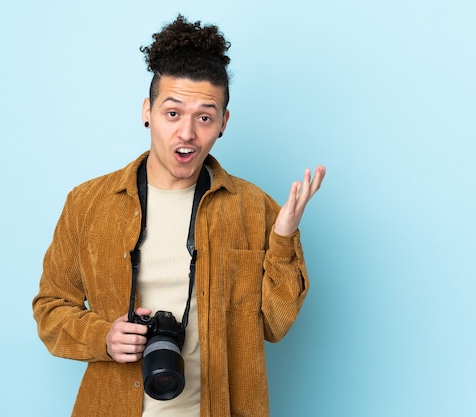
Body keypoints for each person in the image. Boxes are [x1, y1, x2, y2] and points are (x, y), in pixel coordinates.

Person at [32, 15, 326, 417]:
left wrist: (283, 238)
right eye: (173, 113)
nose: (187, 133)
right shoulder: (87, 204)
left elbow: (274, 326)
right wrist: (104, 337)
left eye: (204, 117)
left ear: (223, 123)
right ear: (147, 112)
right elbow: (50, 308)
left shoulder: (255, 208)